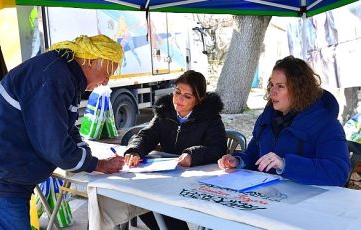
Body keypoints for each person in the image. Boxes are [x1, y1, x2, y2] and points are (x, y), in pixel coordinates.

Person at [0, 34, 125, 229]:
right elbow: (55, 146)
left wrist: (87, 155)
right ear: (91, 61)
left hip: (2, 174)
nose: (106, 82)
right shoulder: (54, 78)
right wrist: (97, 164)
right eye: (107, 73)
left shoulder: (64, 74)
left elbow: (66, 128)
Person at [218, 55, 350, 186]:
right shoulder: (267, 118)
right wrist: (238, 161)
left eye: (280, 86)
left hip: (306, 200)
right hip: (269, 195)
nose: (272, 92)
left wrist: (285, 164)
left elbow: (338, 172)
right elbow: (254, 154)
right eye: (271, 85)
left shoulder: (326, 124)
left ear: (299, 90)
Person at [124, 70, 227, 230]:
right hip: (167, 177)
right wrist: (135, 150)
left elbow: (218, 149)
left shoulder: (211, 118)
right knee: (138, 198)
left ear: (198, 100)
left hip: (195, 182)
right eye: (177, 92)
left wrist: (192, 155)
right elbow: (146, 135)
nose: (179, 99)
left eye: (187, 96)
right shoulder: (164, 112)